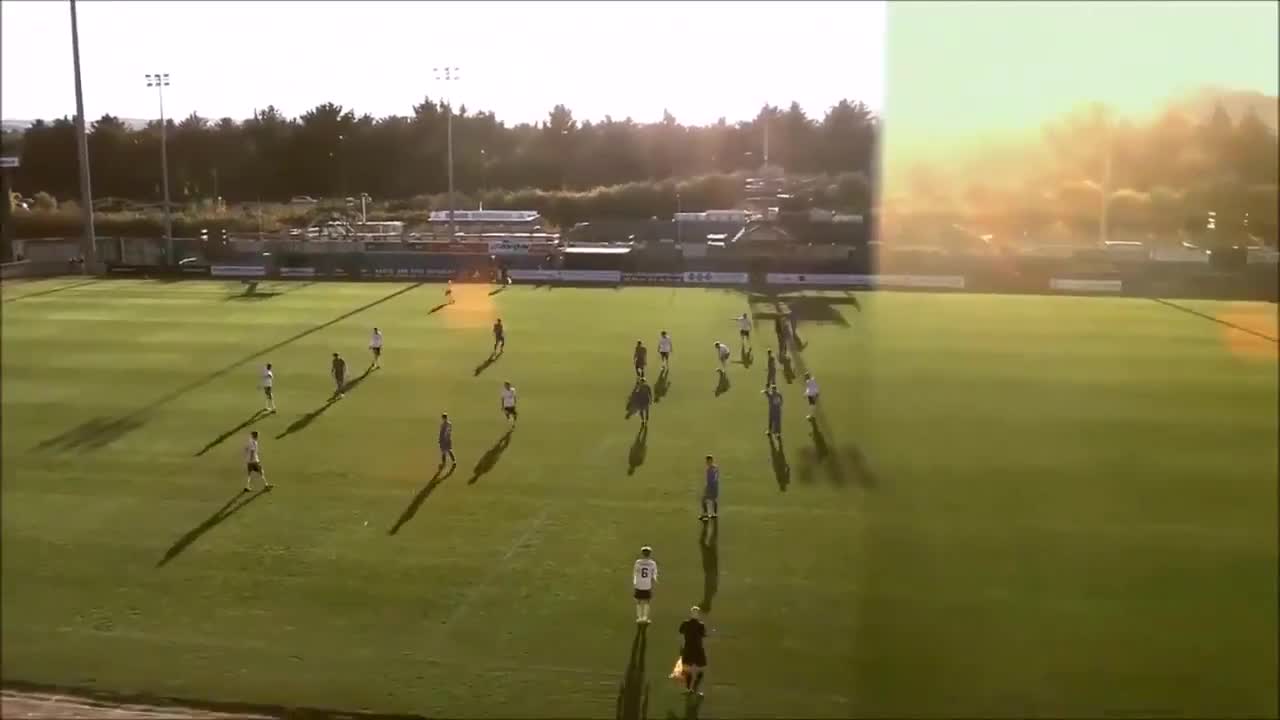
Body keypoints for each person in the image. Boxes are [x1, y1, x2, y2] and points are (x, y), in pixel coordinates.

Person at [678, 606, 709, 696]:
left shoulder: (701, 625)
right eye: (693, 612)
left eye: (696, 613)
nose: (695, 614)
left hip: (698, 649)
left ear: (698, 615)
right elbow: (681, 635)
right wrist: (681, 647)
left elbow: (703, 636)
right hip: (688, 649)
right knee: (687, 670)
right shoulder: (685, 623)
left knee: (701, 669)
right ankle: (689, 689)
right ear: (690, 614)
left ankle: (695, 689)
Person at [633, 545, 658, 624]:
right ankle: (645, 618)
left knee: (639, 601)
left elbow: (635, 573)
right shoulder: (652, 563)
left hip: (639, 584)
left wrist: (635, 583)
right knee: (647, 601)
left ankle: (639, 618)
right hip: (647, 585)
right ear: (649, 554)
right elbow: (654, 575)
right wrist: (654, 582)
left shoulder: (638, 562)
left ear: (642, 553)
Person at [700, 455, 720, 521]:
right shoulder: (714, 468)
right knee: (713, 500)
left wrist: (709, 487)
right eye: (707, 460)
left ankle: (706, 515)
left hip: (711, 487)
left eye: (708, 460)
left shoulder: (711, 469)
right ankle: (714, 513)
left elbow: (714, 478)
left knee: (703, 500)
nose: (707, 462)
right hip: (713, 487)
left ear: (710, 461)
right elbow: (715, 478)